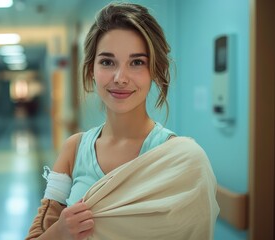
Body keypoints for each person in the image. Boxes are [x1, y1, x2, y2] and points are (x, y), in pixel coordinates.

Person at [26, 2, 219, 240]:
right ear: (91, 70)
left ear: (154, 71)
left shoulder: (182, 161)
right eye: (107, 62)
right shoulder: (74, 150)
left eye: (137, 62)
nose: (120, 78)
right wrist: (61, 231)